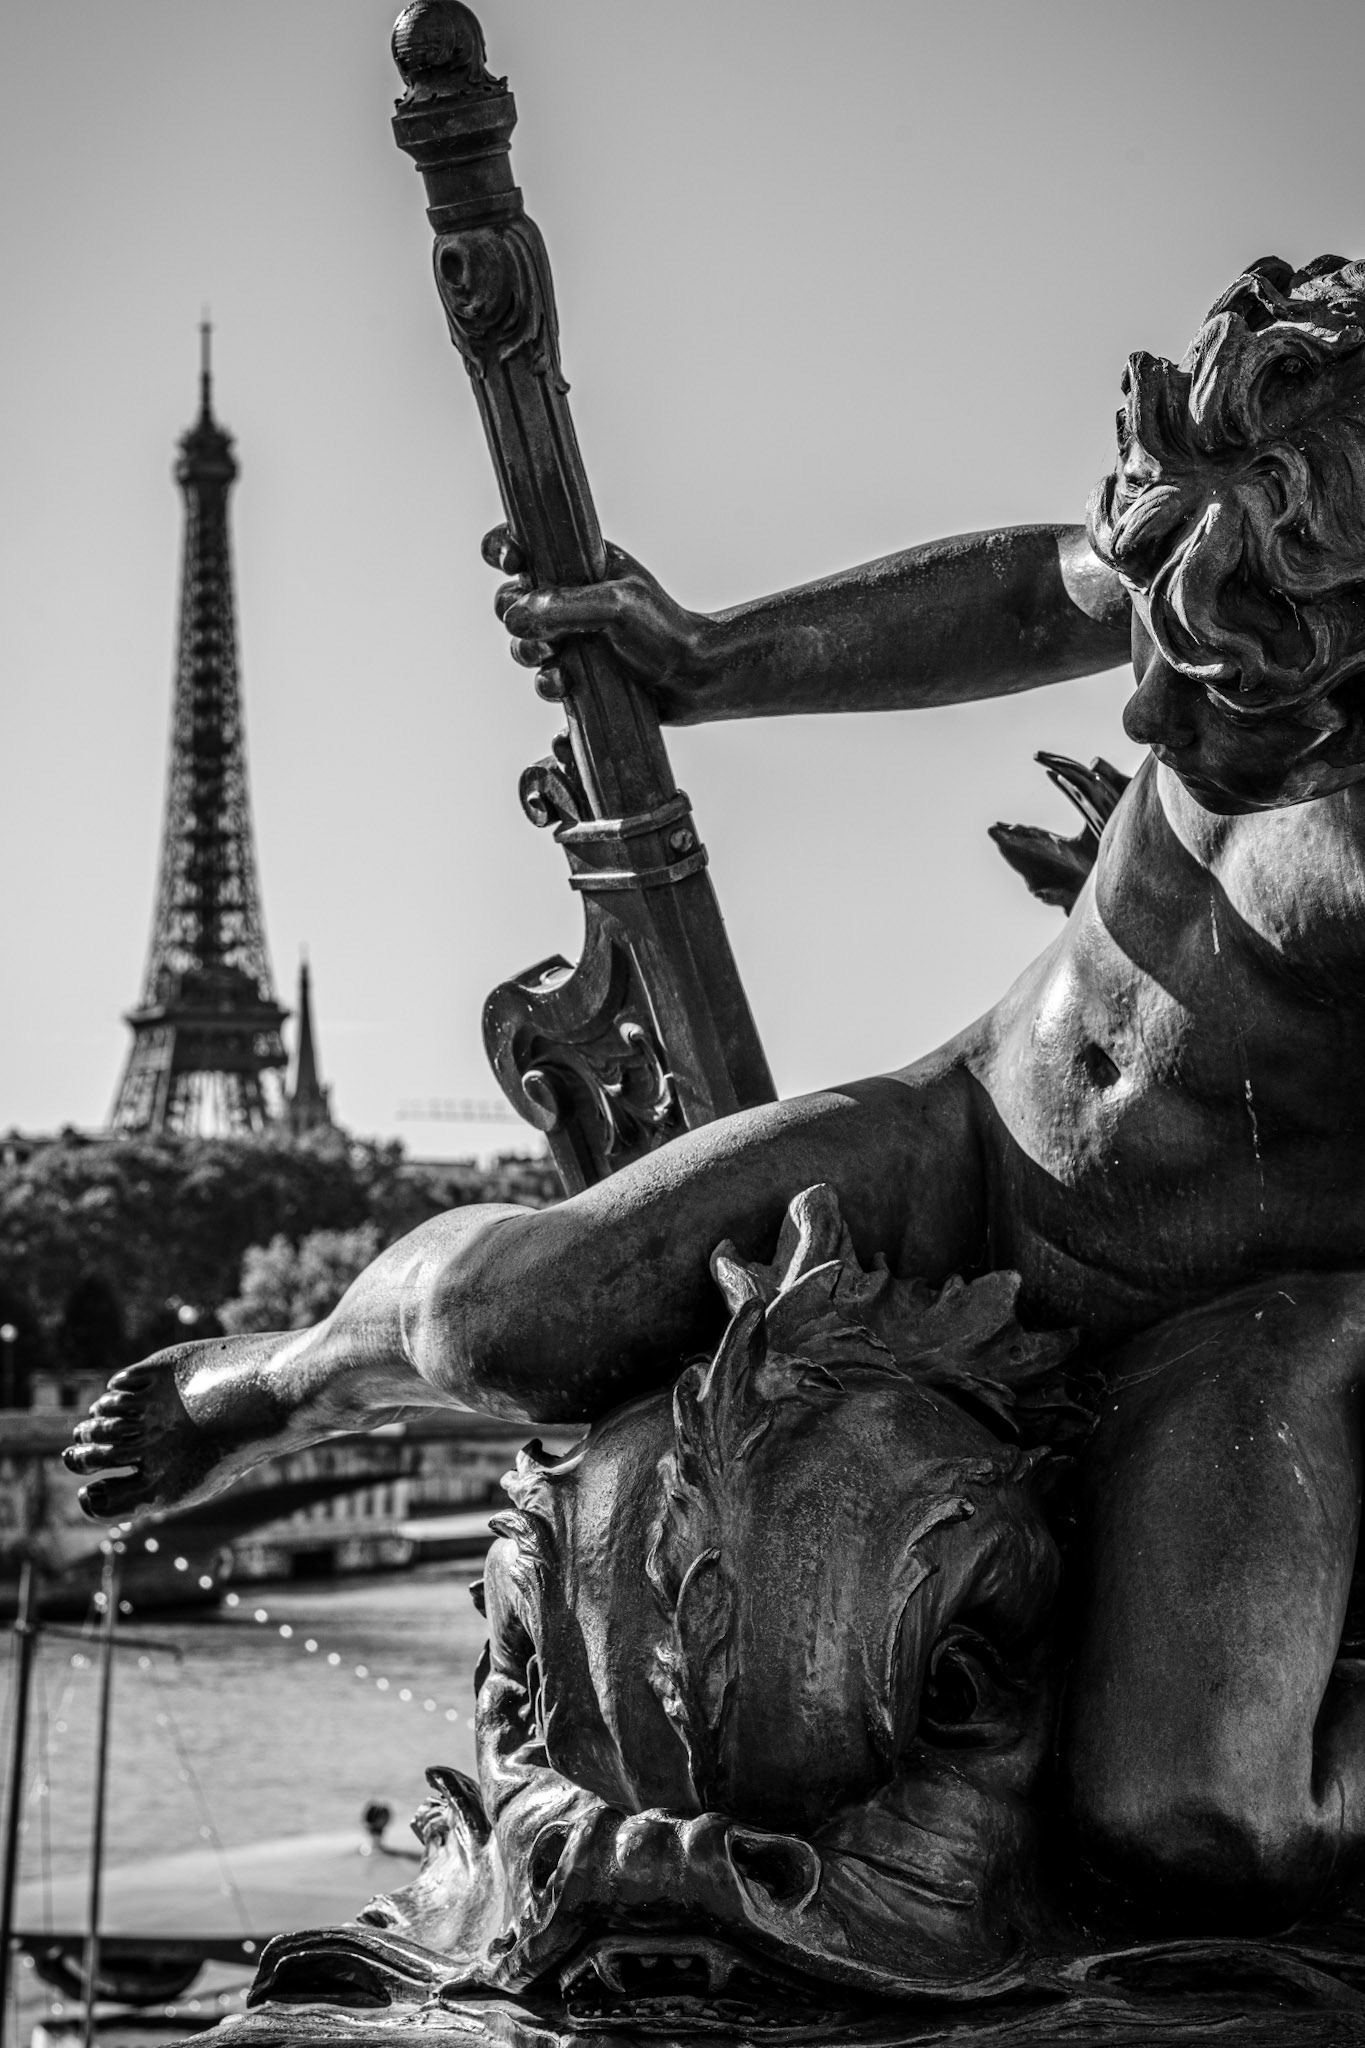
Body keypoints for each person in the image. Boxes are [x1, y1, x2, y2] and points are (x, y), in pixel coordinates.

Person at [67, 254, 1365, 1928]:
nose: (1139, 706)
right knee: (499, 1311)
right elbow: (1032, 595)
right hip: (968, 1137)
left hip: (1237, 1313)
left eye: (1225, 682)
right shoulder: (1228, 539)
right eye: (1152, 632)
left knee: (1197, 1814)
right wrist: (701, 657)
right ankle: (279, 1373)